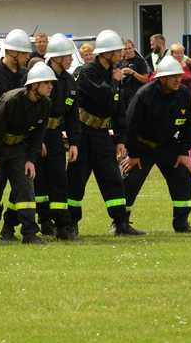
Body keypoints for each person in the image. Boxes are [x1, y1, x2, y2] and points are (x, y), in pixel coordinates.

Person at [65, 30, 140, 236]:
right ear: (106, 53)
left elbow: (118, 109)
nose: (120, 54)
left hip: (102, 135)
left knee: (112, 178)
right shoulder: (86, 72)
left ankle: (120, 222)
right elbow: (100, 96)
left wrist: (120, 139)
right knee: (76, 180)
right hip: (82, 133)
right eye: (116, 51)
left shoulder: (112, 74)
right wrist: (115, 83)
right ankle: (71, 223)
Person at [0, 62, 54, 244]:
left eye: (51, 83)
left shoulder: (46, 104)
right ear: (34, 85)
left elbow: (38, 135)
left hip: (18, 148)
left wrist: (31, 160)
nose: (50, 86)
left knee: (25, 188)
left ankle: (29, 233)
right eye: (46, 83)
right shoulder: (11, 101)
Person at [121, 55, 191, 233]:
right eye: (173, 77)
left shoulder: (184, 94)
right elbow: (130, 125)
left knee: (182, 178)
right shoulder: (144, 95)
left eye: (179, 76)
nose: (178, 80)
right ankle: (121, 224)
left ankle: (181, 223)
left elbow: (189, 125)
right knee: (130, 182)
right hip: (142, 147)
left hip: (168, 146)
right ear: (162, 78)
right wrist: (133, 154)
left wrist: (183, 152)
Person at [0, 28, 31, 233]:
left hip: (19, 142)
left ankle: (10, 228)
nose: (28, 57)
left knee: (21, 187)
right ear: (13, 53)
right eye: (25, 54)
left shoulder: (27, 75)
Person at [31, 33, 80, 241]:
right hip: (38, 135)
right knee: (39, 181)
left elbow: (72, 116)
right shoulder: (42, 77)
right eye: (67, 56)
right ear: (56, 58)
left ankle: (62, 225)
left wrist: (74, 142)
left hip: (56, 137)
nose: (70, 59)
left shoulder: (69, 81)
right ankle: (43, 221)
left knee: (60, 178)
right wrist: (38, 140)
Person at [118, 39, 149, 109]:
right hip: (123, 98)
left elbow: (146, 80)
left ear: (133, 48)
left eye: (129, 48)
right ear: (122, 50)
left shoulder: (140, 61)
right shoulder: (120, 62)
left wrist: (132, 72)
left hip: (136, 96)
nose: (128, 51)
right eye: (125, 49)